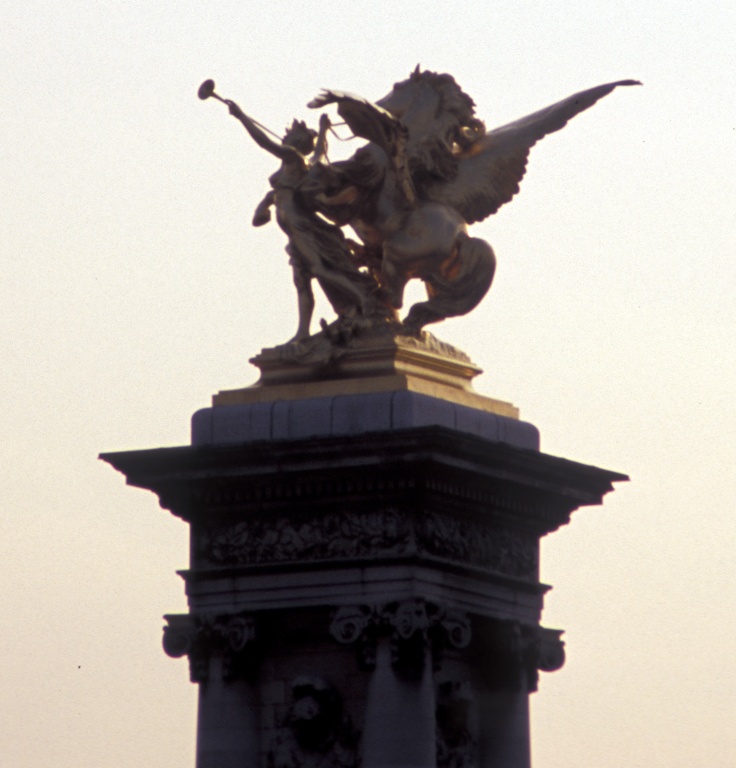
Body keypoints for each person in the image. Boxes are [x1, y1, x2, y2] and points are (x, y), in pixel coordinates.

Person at [226, 101, 378, 341]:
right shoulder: (301, 163)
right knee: (302, 280)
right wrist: (323, 130)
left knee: (318, 269)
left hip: (299, 225)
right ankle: (302, 332)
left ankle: (364, 298)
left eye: (291, 135)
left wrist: (241, 116)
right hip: (293, 230)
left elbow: (264, 142)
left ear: (296, 143)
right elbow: (319, 153)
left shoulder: (293, 157)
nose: (286, 137)